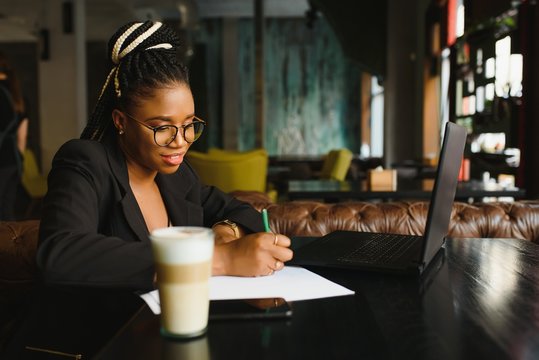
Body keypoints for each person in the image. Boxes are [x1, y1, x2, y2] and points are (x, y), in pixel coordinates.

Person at [36, 21, 293, 291]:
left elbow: (238, 210)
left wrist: (225, 233)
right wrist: (218, 259)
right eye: (162, 128)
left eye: (189, 125)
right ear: (121, 121)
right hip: (108, 327)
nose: (180, 142)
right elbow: (60, 253)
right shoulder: (86, 162)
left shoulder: (177, 176)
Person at [0, 52, 29, 220]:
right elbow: (22, 136)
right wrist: (19, 161)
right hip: (13, 161)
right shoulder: (19, 97)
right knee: (7, 210)